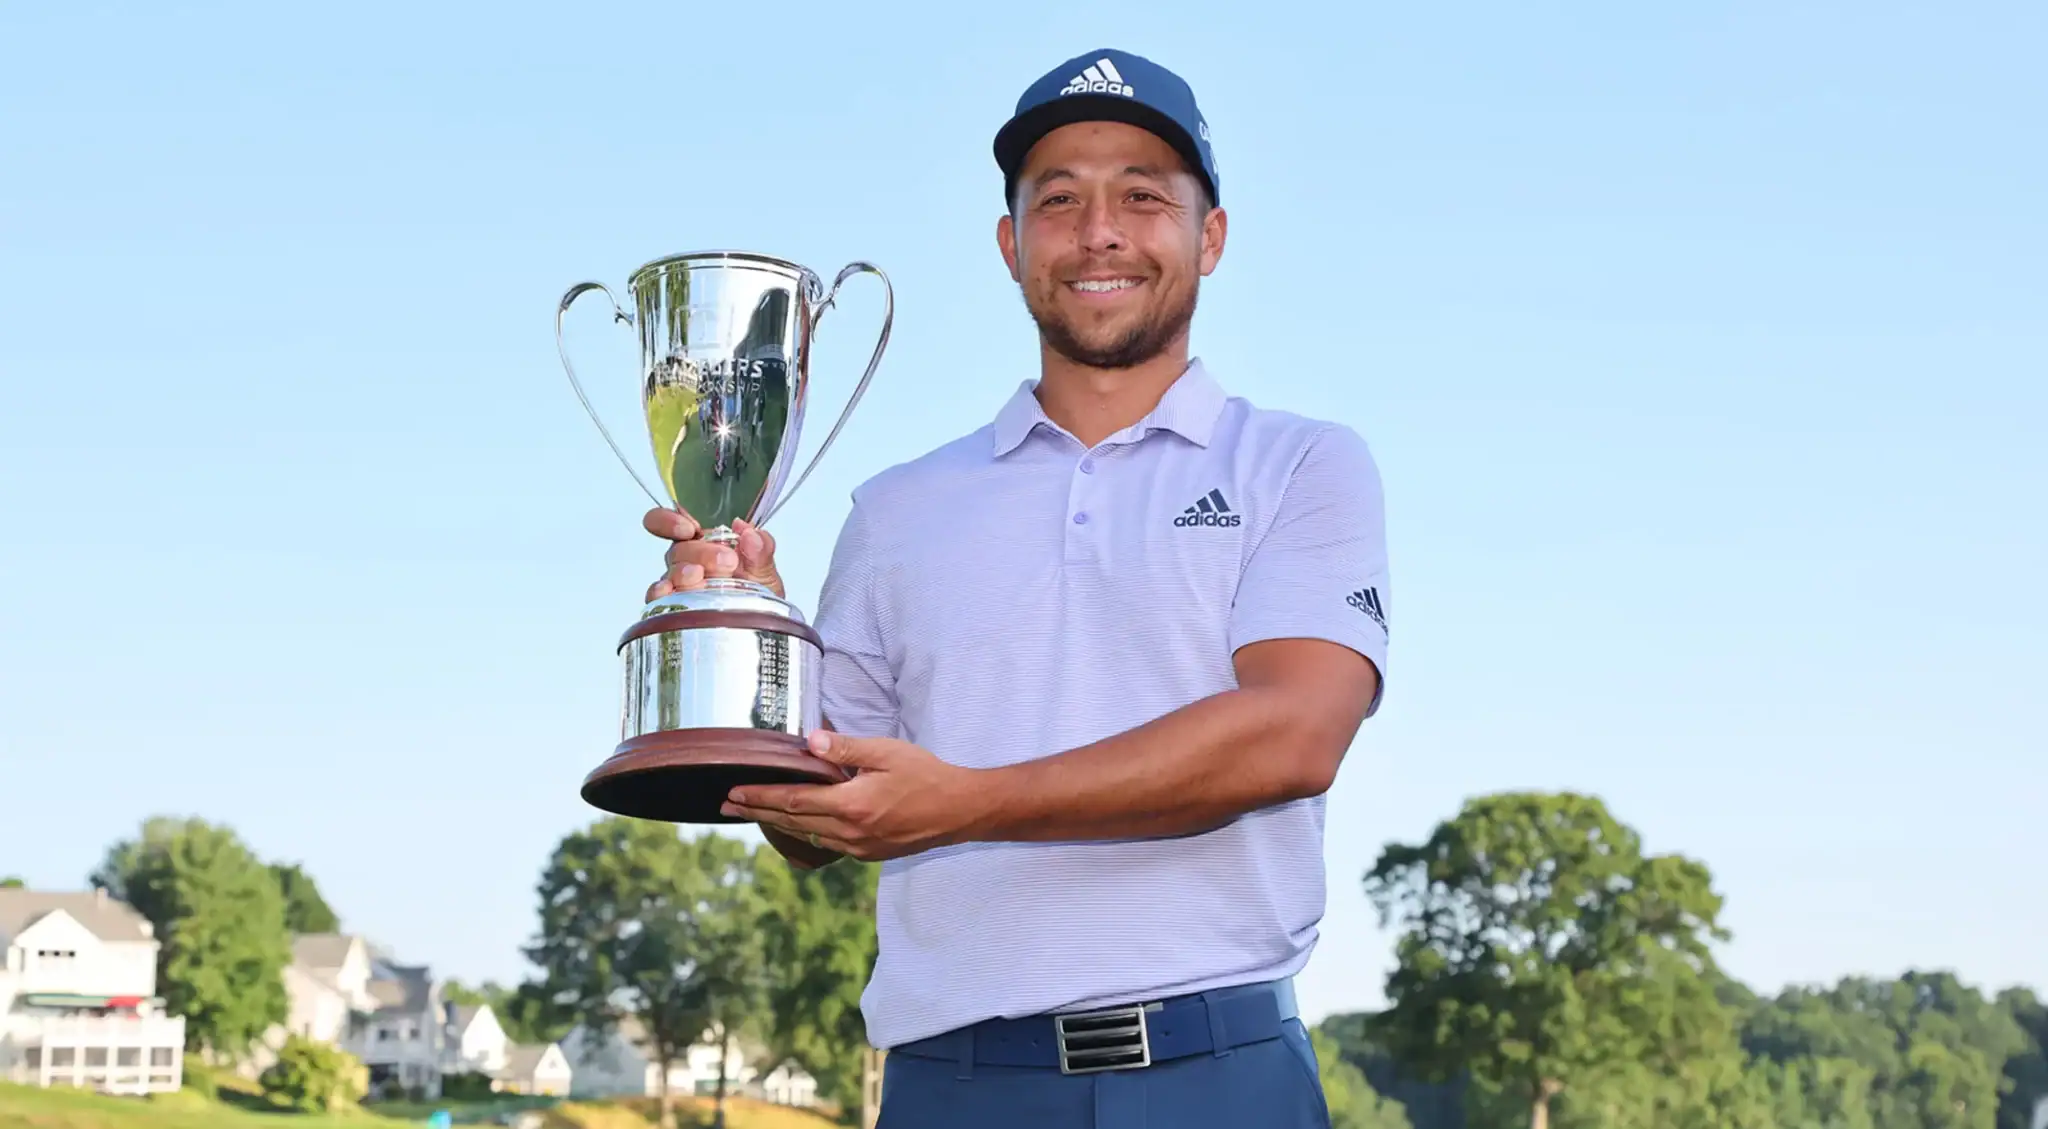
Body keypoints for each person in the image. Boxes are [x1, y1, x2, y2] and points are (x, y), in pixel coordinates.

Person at [643, 46, 1389, 1129]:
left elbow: (1293, 736)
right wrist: (750, 631)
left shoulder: (1301, 463)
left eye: (1143, 197)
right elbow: (813, 825)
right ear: (1010, 243)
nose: (1100, 232)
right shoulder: (896, 509)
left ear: (1210, 237)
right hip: (954, 1083)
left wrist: (969, 801)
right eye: (1059, 200)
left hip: (1219, 1074)